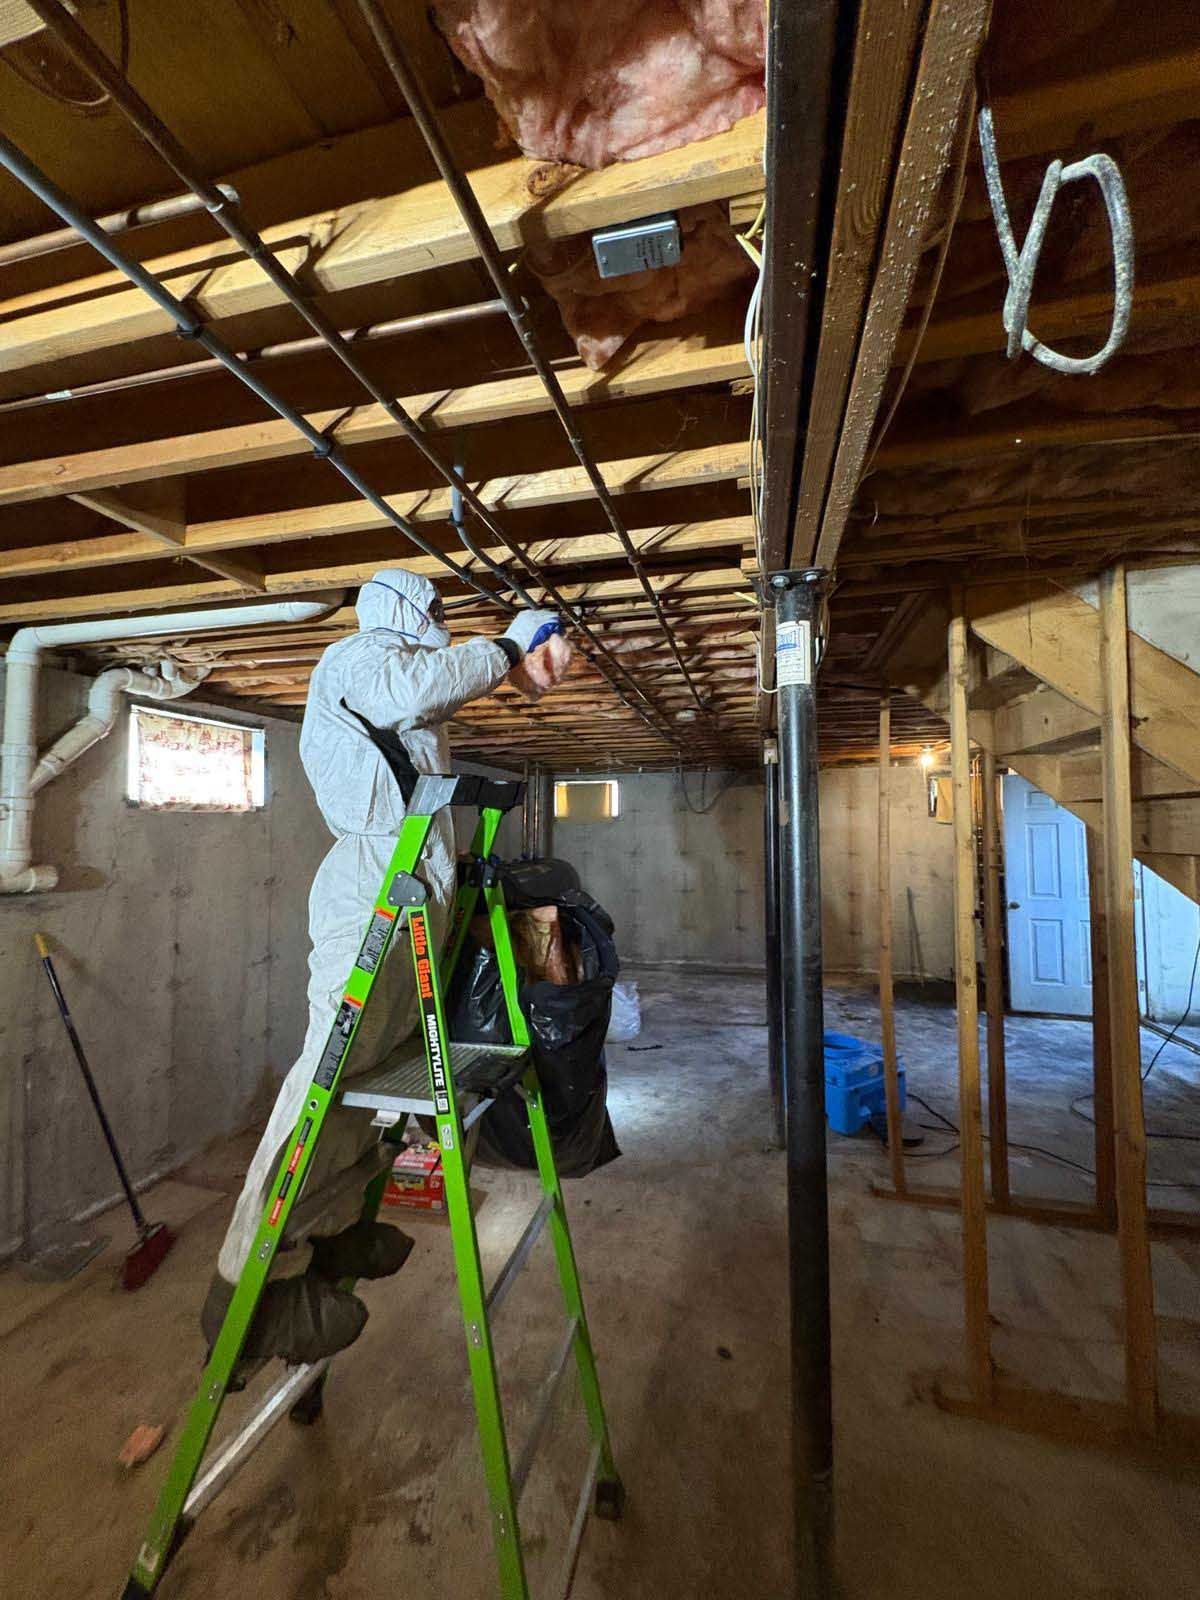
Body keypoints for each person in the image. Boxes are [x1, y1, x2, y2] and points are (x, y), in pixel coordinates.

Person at [201, 569, 561, 1370]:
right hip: (371, 889)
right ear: (399, 611)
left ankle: (333, 1245)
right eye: (430, 608)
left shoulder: (409, 691)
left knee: (372, 1074)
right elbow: (423, 681)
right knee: (326, 1074)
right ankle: (241, 1302)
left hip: (411, 888)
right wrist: (507, 644)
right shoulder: (360, 660)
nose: (438, 620)